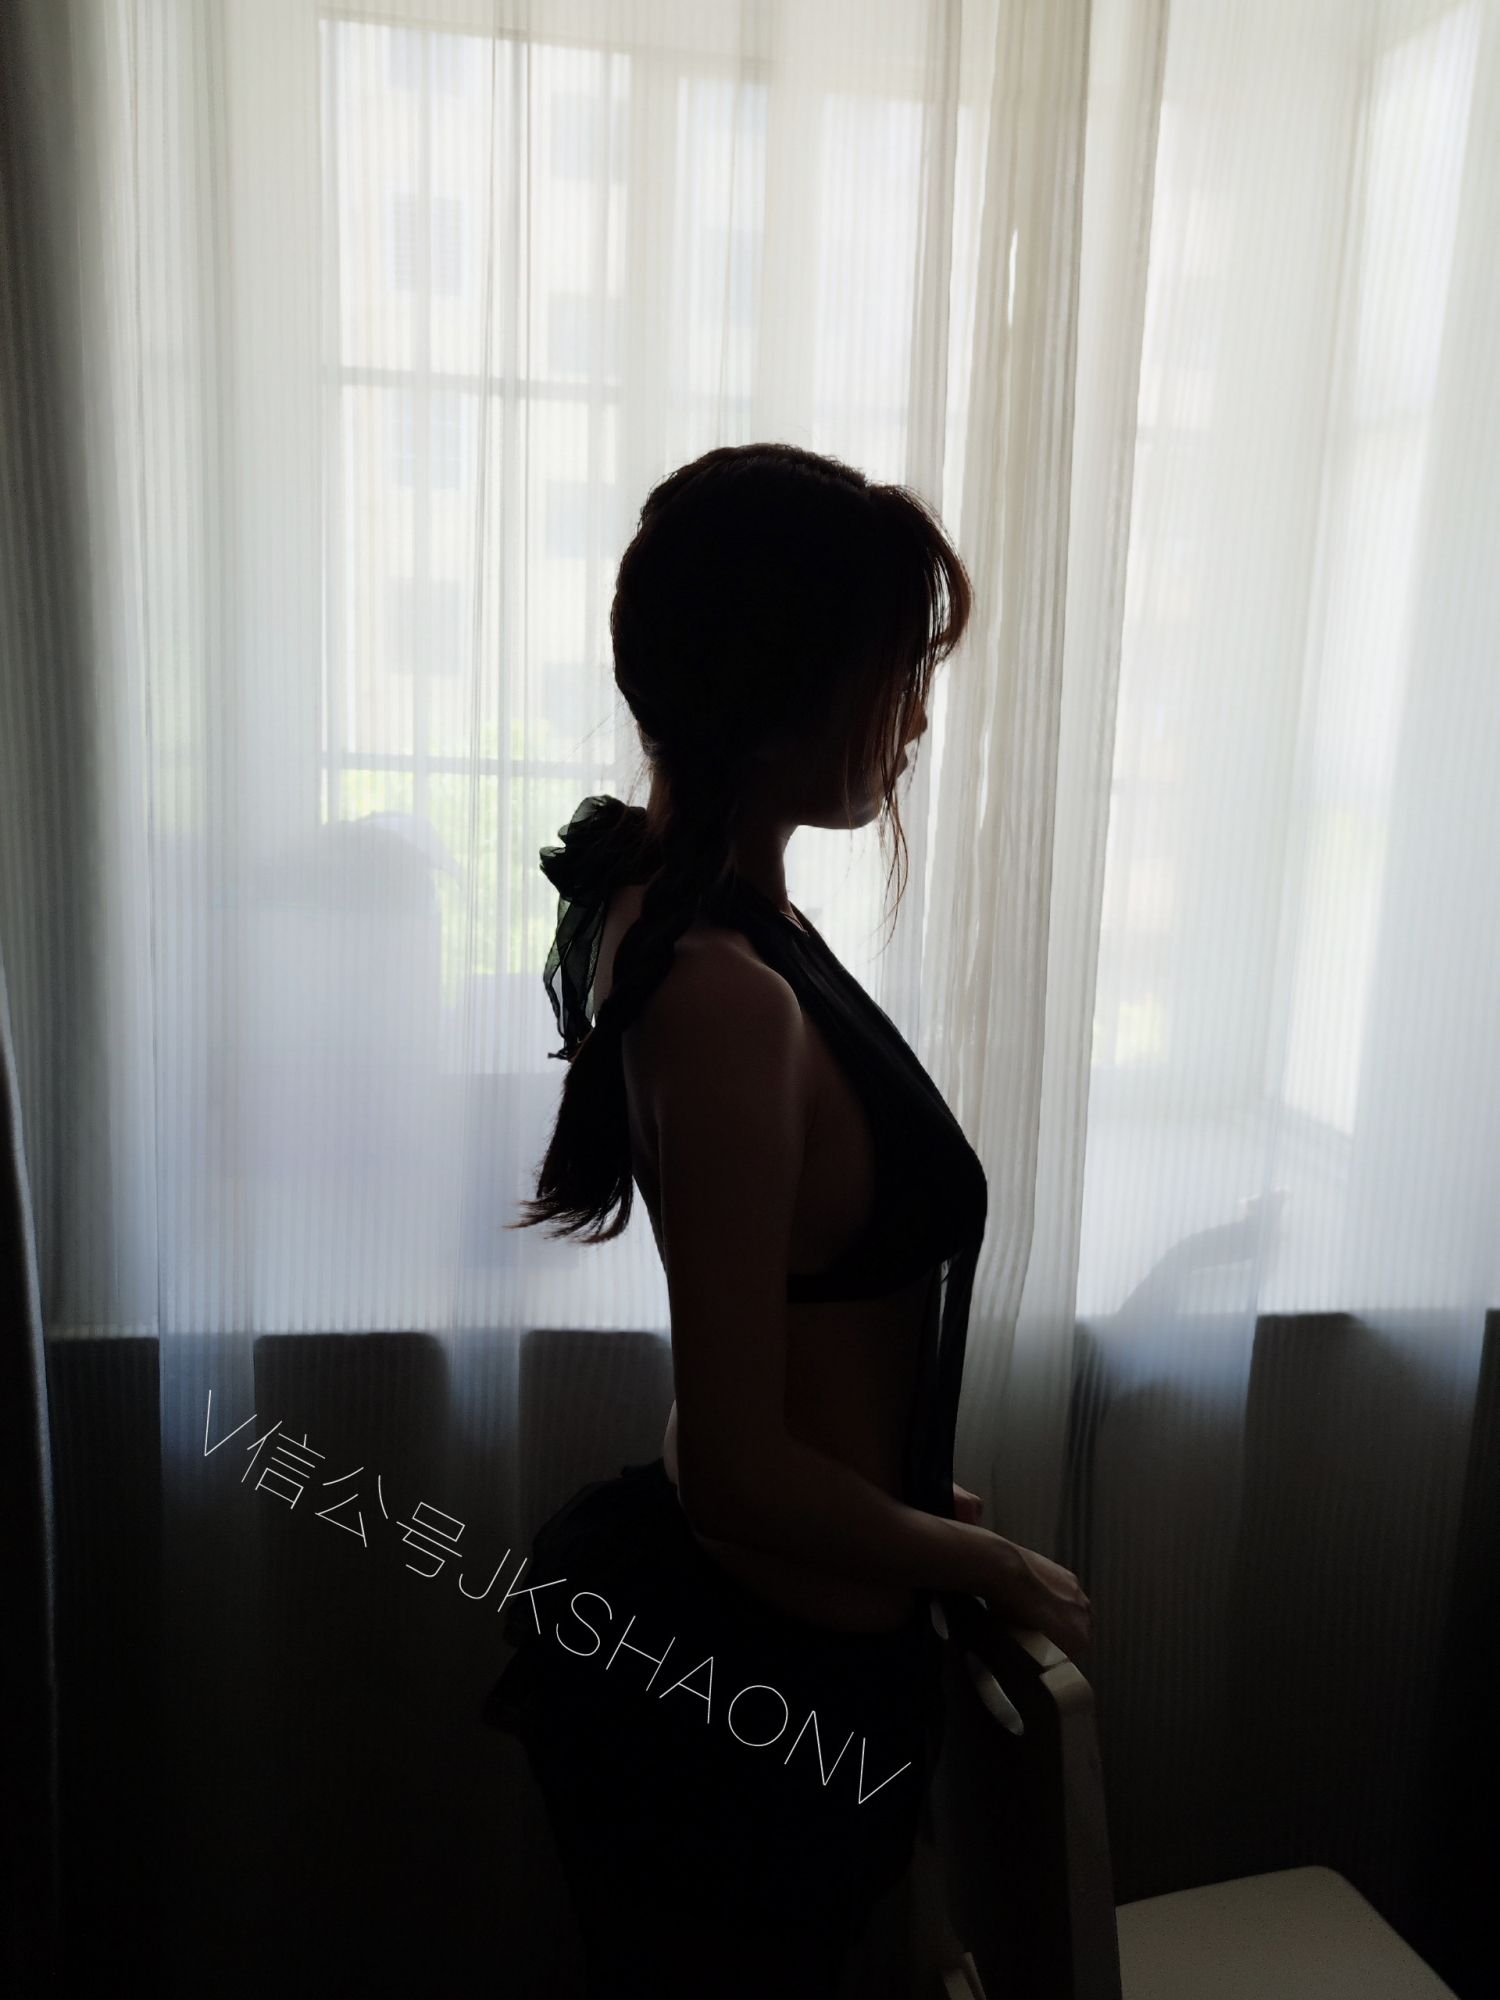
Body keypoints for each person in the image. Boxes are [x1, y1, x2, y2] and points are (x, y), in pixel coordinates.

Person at [484, 442, 1093, 1997]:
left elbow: (751, 1408)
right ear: (784, 691)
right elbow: (743, 1470)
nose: (918, 717)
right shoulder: (721, 989)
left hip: (796, 1638)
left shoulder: (691, 909)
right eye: (899, 673)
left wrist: (899, 1504)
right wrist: (979, 1564)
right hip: (768, 1690)